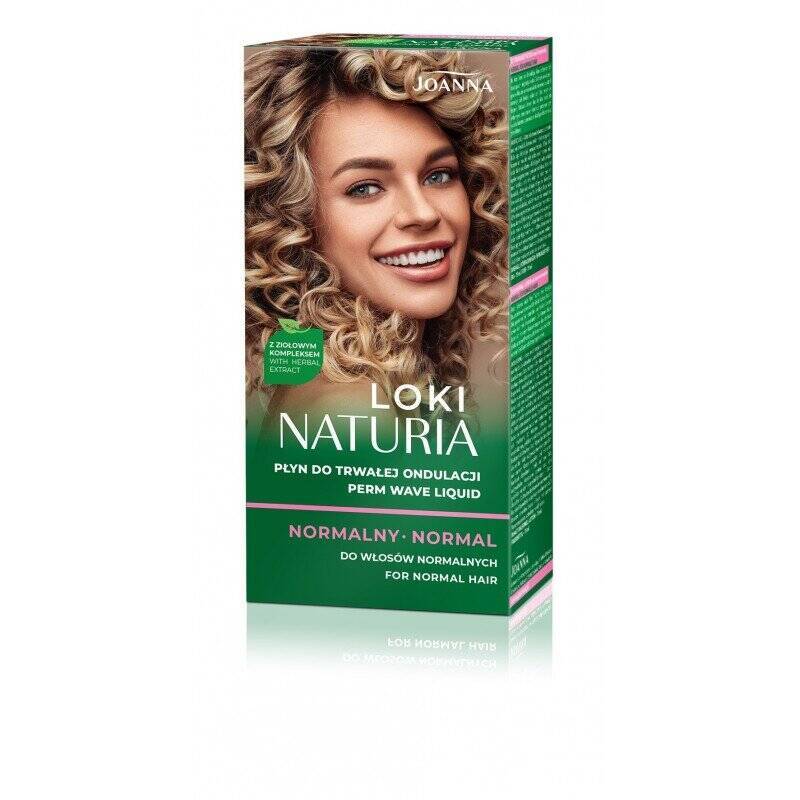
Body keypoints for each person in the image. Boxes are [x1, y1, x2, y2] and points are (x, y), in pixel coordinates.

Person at [244, 47, 507, 419]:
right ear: (293, 219)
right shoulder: (351, 405)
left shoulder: (340, 376)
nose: (423, 213)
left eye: (439, 175)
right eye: (365, 188)